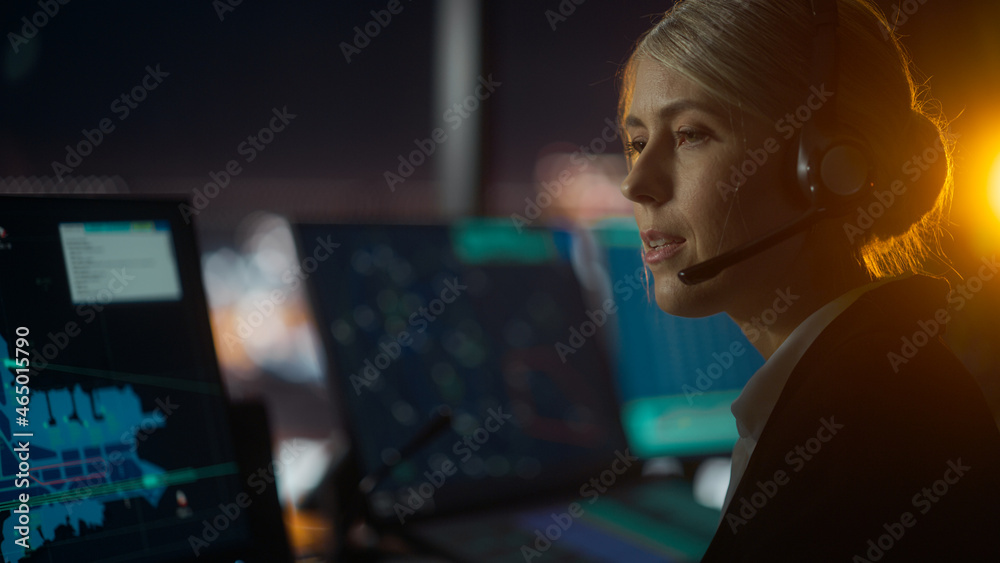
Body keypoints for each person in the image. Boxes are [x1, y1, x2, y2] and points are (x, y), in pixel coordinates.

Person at [617, 0, 1000, 560]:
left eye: (689, 134)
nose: (636, 184)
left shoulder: (864, 442)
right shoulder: (870, 381)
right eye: (635, 142)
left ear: (825, 167)